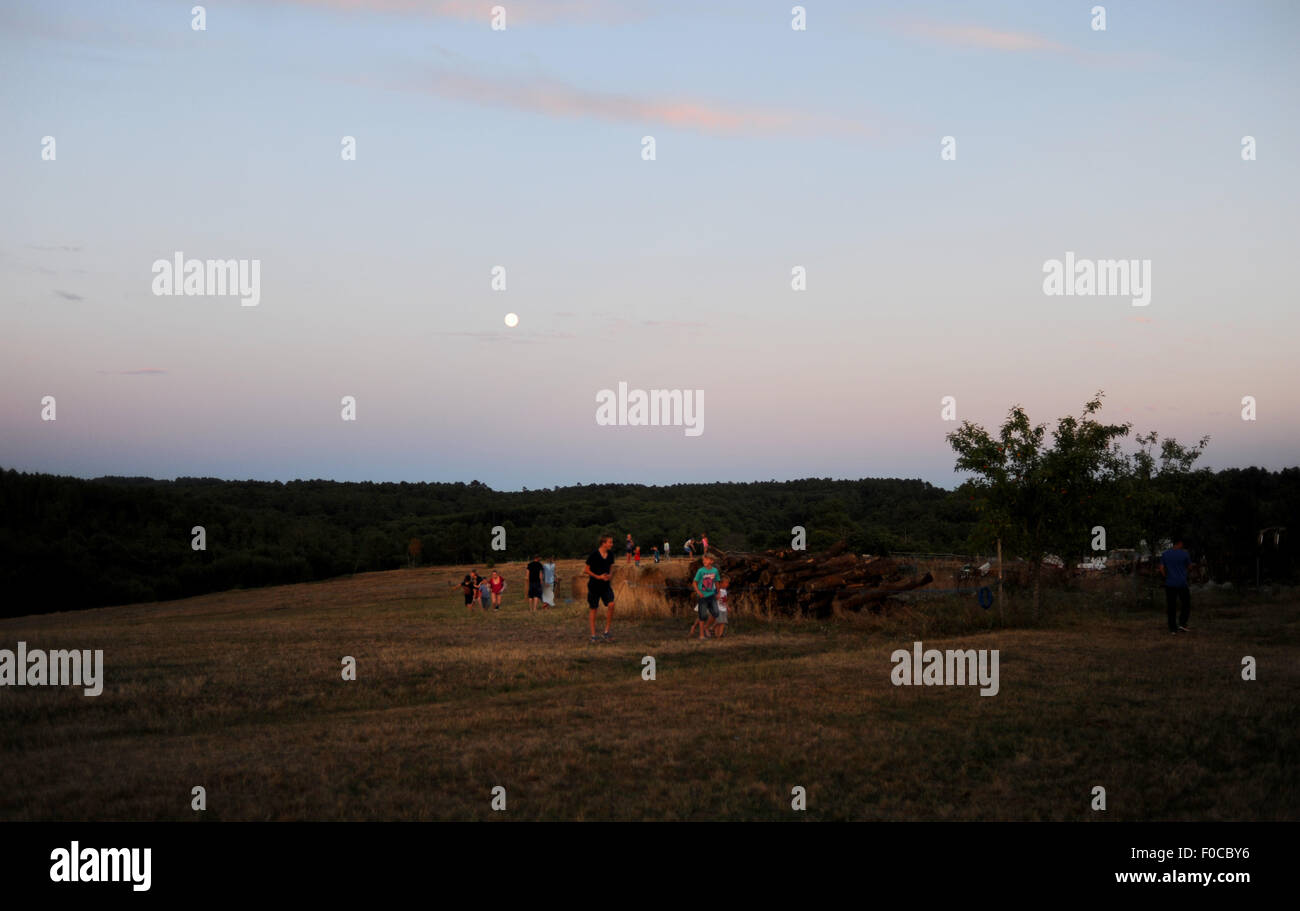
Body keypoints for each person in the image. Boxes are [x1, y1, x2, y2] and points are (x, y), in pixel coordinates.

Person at [585, 535, 617, 643]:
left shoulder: (611, 555)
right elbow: (586, 570)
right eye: (610, 542)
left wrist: (610, 575)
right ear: (603, 543)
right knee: (594, 609)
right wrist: (598, 577)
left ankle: (606, 632)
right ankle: (593, 636)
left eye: (612, 542)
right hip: (594, 585)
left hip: (606, 586)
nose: (612, 544)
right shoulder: (594, 555)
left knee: (611, 604)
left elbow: (611, 567)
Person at [1159, 537, 1193, 634]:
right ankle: (1182, 623)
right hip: (1182, 583)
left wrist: (1166, 576)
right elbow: (1190, 567)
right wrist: (1185, 572)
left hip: (1170, 584)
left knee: (1171, 606)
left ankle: (1172, 628)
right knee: (1186, 604)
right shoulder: (1184, 553)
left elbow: (1161, 568)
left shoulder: (1165, 554)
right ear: (1180, 543)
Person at [692, 553, 721, 640]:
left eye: (706, 559)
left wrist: (718, 593)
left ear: (711, 561)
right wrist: (698, 592)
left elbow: (716, 582)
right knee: (702, 616)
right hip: (702, 596)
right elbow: (694, 583)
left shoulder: (715, 571)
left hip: (712, 595)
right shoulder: (700, 571)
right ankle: (701, 635)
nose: (704, 561)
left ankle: (706, 627)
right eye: (703, 560)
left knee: (716, 613)